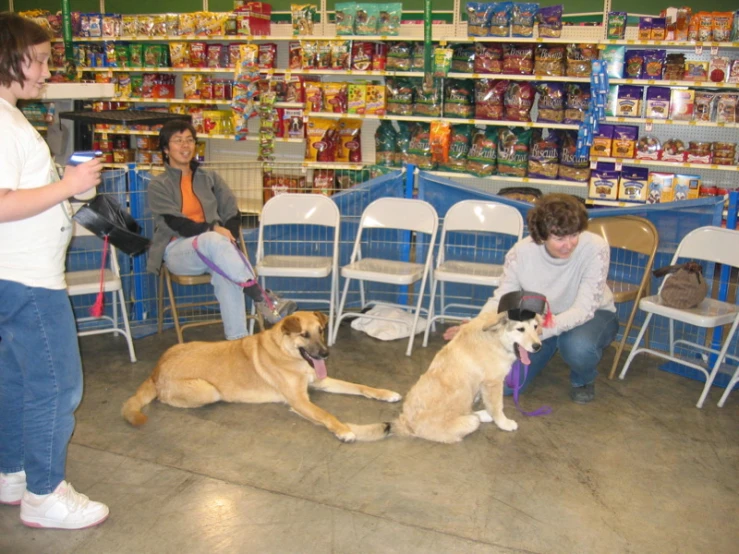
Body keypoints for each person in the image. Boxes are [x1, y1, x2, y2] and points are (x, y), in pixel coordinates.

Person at [0, 12, 109, 528]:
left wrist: (68, 186)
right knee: (57, 385)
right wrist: (68, 187)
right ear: (9, 56)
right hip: (27, 280)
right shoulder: (2, 119)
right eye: (39, 59)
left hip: (14, 275)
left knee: (16, 380)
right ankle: (45, 495)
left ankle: (13, 473)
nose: (46, 71)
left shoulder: (12, 116)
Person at [445, 194, 618, 404]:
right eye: (559, 238)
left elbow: (583, 310)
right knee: (507, 385)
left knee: (577, 346)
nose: (569, 244)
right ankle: (548, 349)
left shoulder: (595, 247)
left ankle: (583, 378)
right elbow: (504, 297)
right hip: (538, 320)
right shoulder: (521, 252)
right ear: (542, 236)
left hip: (592, 316)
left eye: (574, 235)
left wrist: (541, 331)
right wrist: (477, 327)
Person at [147, 119, 296, 340]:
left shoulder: (210, 178)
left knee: (226, 273)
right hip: (178, 250)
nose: (185, 146)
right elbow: (176, 223)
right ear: (166, 149)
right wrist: (213, 230)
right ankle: (261, 297)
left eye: (189, 140)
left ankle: (238, 342)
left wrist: (227, 234)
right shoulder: (158, 185)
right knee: (212, 240)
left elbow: (232, 212)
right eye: (177, 141)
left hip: (216, 250)